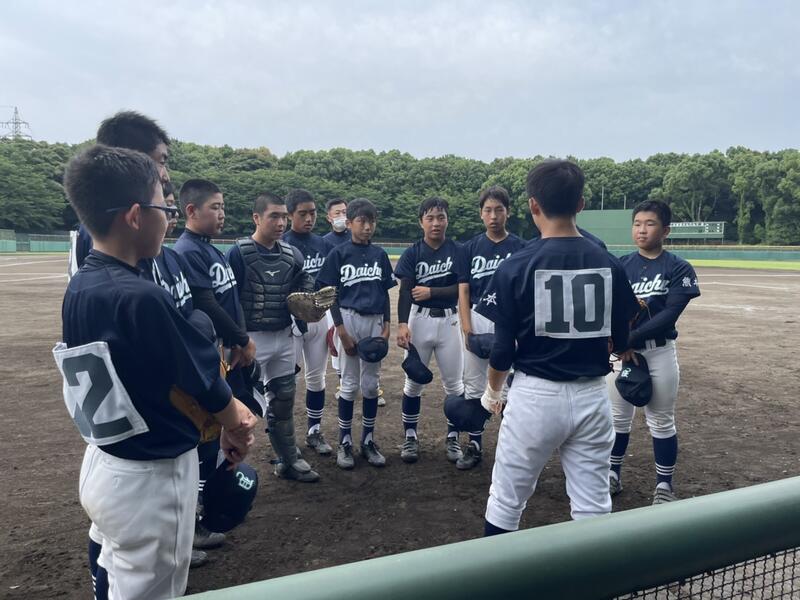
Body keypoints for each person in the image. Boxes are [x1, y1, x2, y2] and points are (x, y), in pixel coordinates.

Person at [55, 144, 256, 599]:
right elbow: (202, 380)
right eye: (162, 208)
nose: (168, 218)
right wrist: (235, 423)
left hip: (105, 462)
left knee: (113, 577)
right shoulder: (139, 295)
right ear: (134, 216)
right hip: (149, 478)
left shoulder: (83, 283)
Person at [476, 160, 640, 536]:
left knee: (506, 502)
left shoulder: (516, 265)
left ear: (533, 205)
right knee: (593, 507)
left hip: (535, 396)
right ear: (580, 204)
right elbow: (623, 339)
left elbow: (502, 350)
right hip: (592, 396)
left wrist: (492, 392)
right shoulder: (608, 262)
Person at [173, 179, 257, 551]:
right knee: (204, 439)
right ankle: (191, 524)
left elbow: (229, 300)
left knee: (215, 437)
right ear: (191, 211)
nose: (222, 214)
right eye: (215, 207)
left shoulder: (210, 249)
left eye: (223, 206)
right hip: (206, 357)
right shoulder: (187, 251)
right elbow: (205, 304)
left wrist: (236, 340)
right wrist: (241, 338)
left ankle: (200, 516)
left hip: (222, 351)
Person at [607, 200, 700, 504]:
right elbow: (608, 309)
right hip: (621, 354)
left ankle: (664, 486)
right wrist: (620, 344)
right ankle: (612, 475)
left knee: (660, 420)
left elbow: (669, 314)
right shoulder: (621, 265)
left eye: (650, 224)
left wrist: (628, 339)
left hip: (658, 352)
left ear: (666, 230)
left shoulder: (678, 266)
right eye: (637, 224)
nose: (642, 230)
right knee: (617, 419)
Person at [227, 192, 320, 482]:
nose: (281, 223)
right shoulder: (239, 253)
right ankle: (223, 468)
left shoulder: (293, 255)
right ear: (256, 218)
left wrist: (309, 300)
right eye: (274, 217)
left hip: (283, 334)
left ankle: (288, 459)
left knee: (283, 400)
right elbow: (229, 298)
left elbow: (302, 287)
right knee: (240, 404)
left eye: (283, 217)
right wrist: (235, 340)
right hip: (250, 339)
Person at [316, 199, 396, 469]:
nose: (367, 226)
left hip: (374, 320)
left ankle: (368, 440)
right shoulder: (338, 254)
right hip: (348, 318)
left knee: (371, 385)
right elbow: (329, 295)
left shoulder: (380, 255)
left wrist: (387, 323)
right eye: (361, 221)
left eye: (371, 221)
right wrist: (340, 330)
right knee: (349, 385)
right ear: (349, 223)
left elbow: (384, 291)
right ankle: (345, 441)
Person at [456, 186, 525, 469]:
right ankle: (474, 444)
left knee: (509, 385)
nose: (493, 216)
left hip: (510, 319)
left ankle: (510, 448)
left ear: (508, 212)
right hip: (477, 315)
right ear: (480, 214)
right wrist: (467, 330)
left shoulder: (521, 247)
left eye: (499, 210)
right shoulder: (469, 248)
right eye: (488, 210)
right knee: (474, 385)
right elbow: (463, 291)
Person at [395, 197, 465, 466]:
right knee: (413, 383)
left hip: (450, 322)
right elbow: (405, 291)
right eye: (430, 218)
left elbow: (462, 290)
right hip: (419, 320)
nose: (436, 223)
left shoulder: (458, 251)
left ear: (447, 220)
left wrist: (432, 292)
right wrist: (403, 324)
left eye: (441, 217)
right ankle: (410, 437)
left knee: (455, 386)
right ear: (421, 222)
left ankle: (453, 437)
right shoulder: (413, 253)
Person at [282, 189, 336, 457]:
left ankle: (314, 431)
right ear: (289, 215)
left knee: (317, 378)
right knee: (286, 381)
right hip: (291, 321)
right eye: (302, 213)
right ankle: (286, 435)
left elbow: (332, 285)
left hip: (319, 319)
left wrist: (334, 321)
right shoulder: (282, 244)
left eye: (312, 213)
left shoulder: (324, 244)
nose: (309, 218)